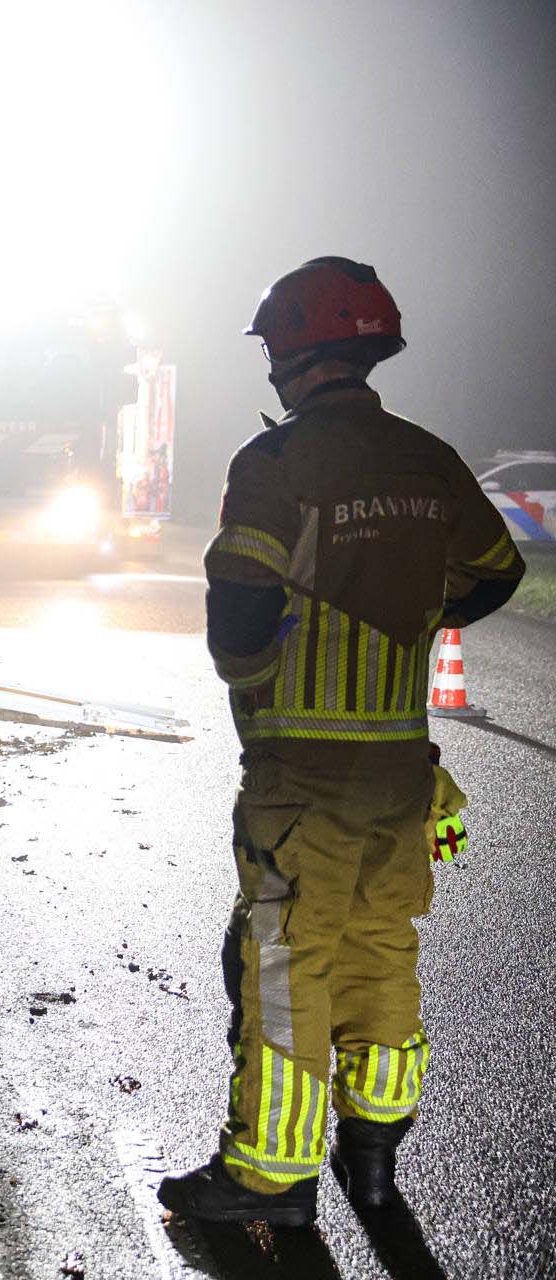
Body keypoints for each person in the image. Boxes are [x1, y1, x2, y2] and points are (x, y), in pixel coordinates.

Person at [158, 258, 525, 1225]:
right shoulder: (430, 459)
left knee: (287, 961)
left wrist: (251, 677)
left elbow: (239, 601)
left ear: (289, 351)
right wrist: (412, 612)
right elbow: (496, 575)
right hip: (403, 776)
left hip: (303, 779)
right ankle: (372, 1149)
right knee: (382, 949)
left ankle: (269, 1178)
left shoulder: (277, 465)